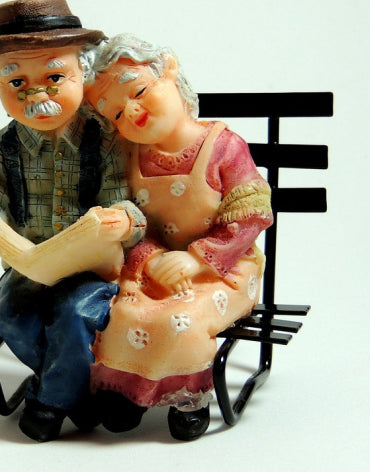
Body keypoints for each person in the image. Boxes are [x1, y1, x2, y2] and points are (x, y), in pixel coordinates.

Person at [0, 0, 144, 442]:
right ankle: (84, 396)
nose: (37, 94)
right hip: (29, 267)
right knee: (11, 315)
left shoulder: (106, 139)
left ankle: (51, 400)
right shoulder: (1, 149)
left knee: (73, 312)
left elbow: (128, 200)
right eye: (16, 82)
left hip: (91, 271)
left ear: (84, 72)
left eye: (54, 76)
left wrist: (123, 221)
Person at [85, 34, 273, 441]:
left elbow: (252, 214)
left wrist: (197, 258)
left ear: (169, 70)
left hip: (222, 268)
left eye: (138, 92)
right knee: (121, 313)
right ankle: (125, 393)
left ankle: (188, 399)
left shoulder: (224, 146)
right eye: (115, 113)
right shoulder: (128, 157)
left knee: (181, 319)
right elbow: (128, 219)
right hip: (152, 268)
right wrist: (150, 258)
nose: (131, 112)